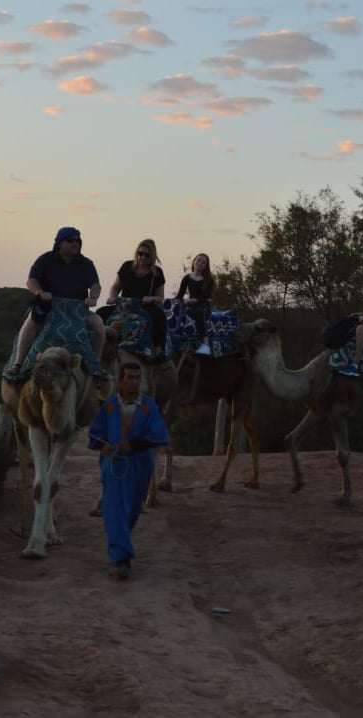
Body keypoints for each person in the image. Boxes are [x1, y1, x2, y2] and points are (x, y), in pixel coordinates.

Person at [88, 361, 169, 580]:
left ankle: (120, 546)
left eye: (137, 377)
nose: (134, 382)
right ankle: (122, 559)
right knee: (114, 510)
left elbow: (159, 435)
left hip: (141, 465)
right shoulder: (110, 406)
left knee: (132, 510)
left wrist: (132, 445)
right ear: (121, 380)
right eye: (130, 377)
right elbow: (95, 434)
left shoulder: (149, 406)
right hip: (114, 466)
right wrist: (102, 444)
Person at [6, 226, 105, 377]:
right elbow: (32, 280)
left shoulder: (86, 264)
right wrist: (39, 292)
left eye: (78, 241)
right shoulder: (45, 260)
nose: (75, 244)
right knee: (31, 323)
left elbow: (95, 285)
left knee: (98, 326)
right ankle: (18, 363)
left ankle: (96, 365)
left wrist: (93, 297)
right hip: (49, 307)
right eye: (70, 240)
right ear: (59, 243)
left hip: (77, 310)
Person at [105, 239, 168, 360]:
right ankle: (101, 345)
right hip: (124, 305)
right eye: (140, 253)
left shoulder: (157, 273)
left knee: (159, 316)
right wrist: (112, 297)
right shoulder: (127, 266)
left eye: (146, 255)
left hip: (144, 306)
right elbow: (115, 287)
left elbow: (160, 297)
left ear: (152, 256)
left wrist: (151, 298)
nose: (142, 257)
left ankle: (158, 349)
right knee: (101, 313)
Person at [176, 252, 214, 355]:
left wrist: (192, 300)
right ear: (194, 261)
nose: (200, 263)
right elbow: (180, 295)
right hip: (189, 303)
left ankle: (205, 344)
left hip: (202, 305)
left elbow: (206, 297)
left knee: (198, 312)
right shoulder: (187, 278)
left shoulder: (208, 280)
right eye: (199, 260)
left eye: (204, 262)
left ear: (206, 266)